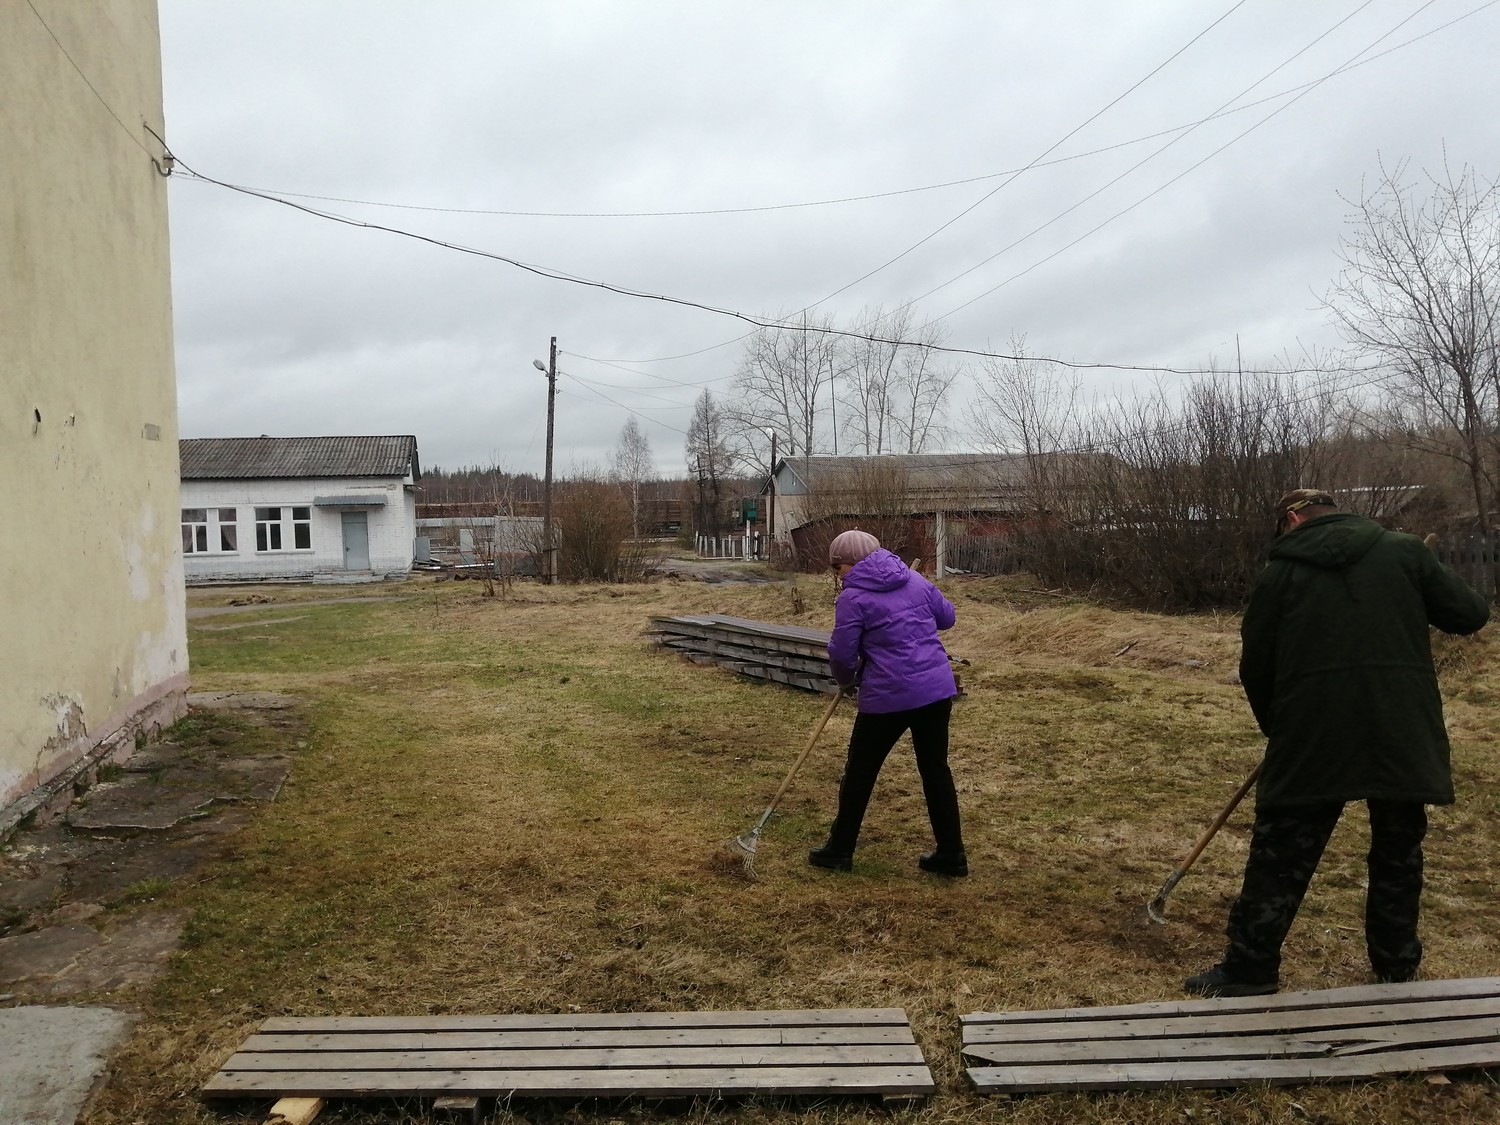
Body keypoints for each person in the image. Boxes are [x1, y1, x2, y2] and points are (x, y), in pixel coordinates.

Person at [1185, 489, 1489, 998]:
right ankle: (1396, 965)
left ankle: (1250, 968)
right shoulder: (1405, 551)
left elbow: (1256, 664)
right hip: (1402, 728)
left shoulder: (1280, 573)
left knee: (1283, 848)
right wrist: (1421, 577)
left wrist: (1278, 727)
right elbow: (1471, 614)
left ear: (1292, 518)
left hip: (1312, 732)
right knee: (1398, 848)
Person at [808, 529, 966, 876]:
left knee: (860, 772)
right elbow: (947, 618)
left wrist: (846, 677)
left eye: (838, 567)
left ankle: (839, 850)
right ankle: (951, 855)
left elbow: (841, 651)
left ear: (851, 563)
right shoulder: (915, 580)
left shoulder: (854, 597)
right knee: (936, 770)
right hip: (936, 691)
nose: (838, 575)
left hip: (889, 695)